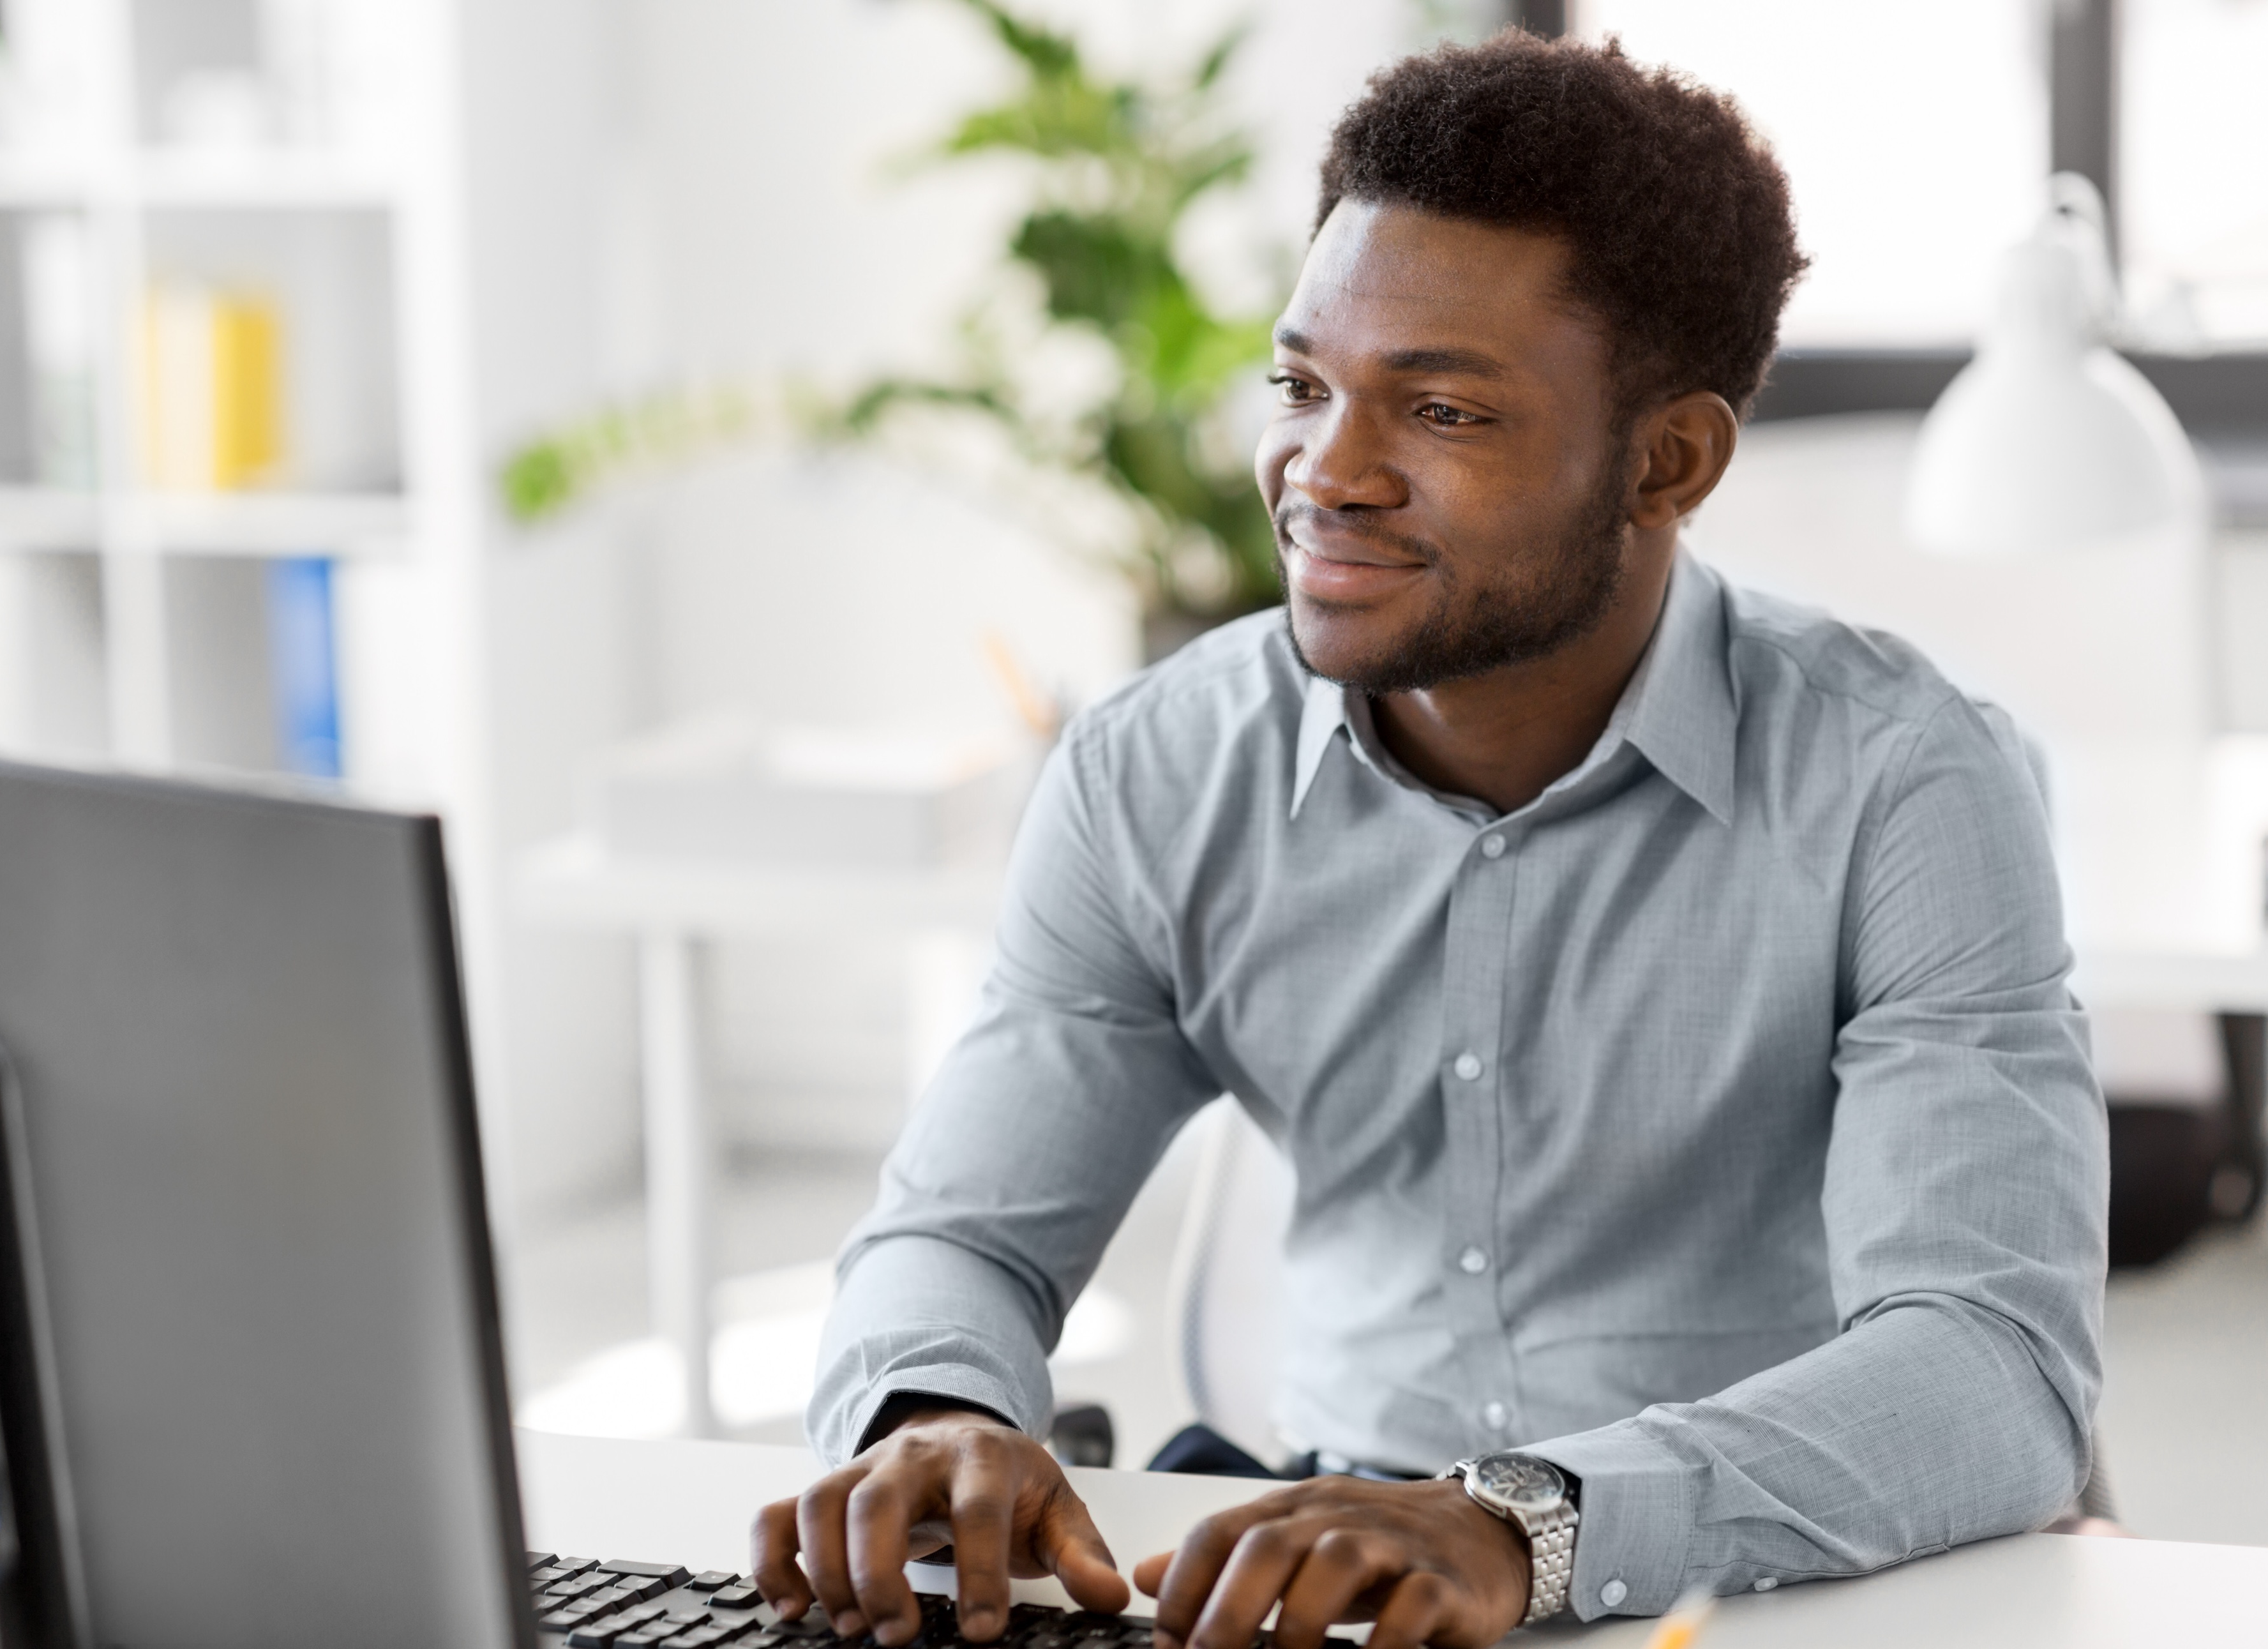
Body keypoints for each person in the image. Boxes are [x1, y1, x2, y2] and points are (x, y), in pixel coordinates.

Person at [749, 31, 2105, 1649]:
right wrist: (927, 1412)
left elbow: (1992, 1361)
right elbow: (963, 1231)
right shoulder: (1155, 771)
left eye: (1442, 410)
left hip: (1794, 1587)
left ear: (1669, 460)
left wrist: (1521, 1518)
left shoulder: (1909, 778)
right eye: (1303, 387)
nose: (1326, 474)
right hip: (1332, 1585)